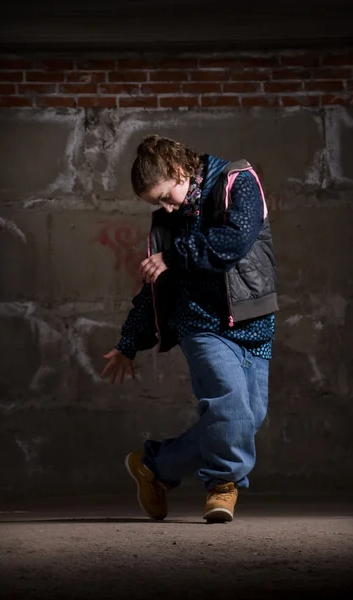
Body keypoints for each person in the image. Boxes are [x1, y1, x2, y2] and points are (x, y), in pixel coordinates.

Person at [101, 134, 278, 523]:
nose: (164, 207)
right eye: (156, 203)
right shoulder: (168, 221)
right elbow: (154, 286)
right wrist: (129, 342)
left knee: (244, 420)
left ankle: (156, 467)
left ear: (180, 171)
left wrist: (173, 256)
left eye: (165, 195)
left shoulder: (237, 180)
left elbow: (234, 241)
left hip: (254, 321)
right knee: (229, 407)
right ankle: (222, 485)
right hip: (200, 324)